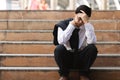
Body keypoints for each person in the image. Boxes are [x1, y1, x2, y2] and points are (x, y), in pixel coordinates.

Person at [54, 5, 98, 80]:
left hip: (81, 58)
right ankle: (64, 75)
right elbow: (61, 41)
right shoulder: (63, 25)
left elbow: (92, 41)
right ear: (75, 15)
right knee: (59, 49)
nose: (81, 22)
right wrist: (72, 25)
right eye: (79, 18)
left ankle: (84, 74)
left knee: (92, 48)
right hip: (67, 57)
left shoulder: (88, 26)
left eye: (83, 19)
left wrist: (86, 23)